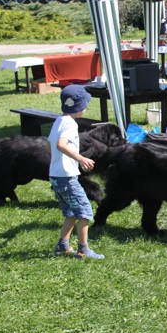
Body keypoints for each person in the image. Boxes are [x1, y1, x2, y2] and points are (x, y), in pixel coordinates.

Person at [48, 85, 104, 260]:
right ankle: (83, 250)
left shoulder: (58, 120)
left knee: (71, 212)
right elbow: (61, 144)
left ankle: (63, 246)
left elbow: (49, 146)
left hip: (56, 175)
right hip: (66, 178)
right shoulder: (70, 124)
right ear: (80, 106)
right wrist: (81, 159)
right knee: (85, 212)